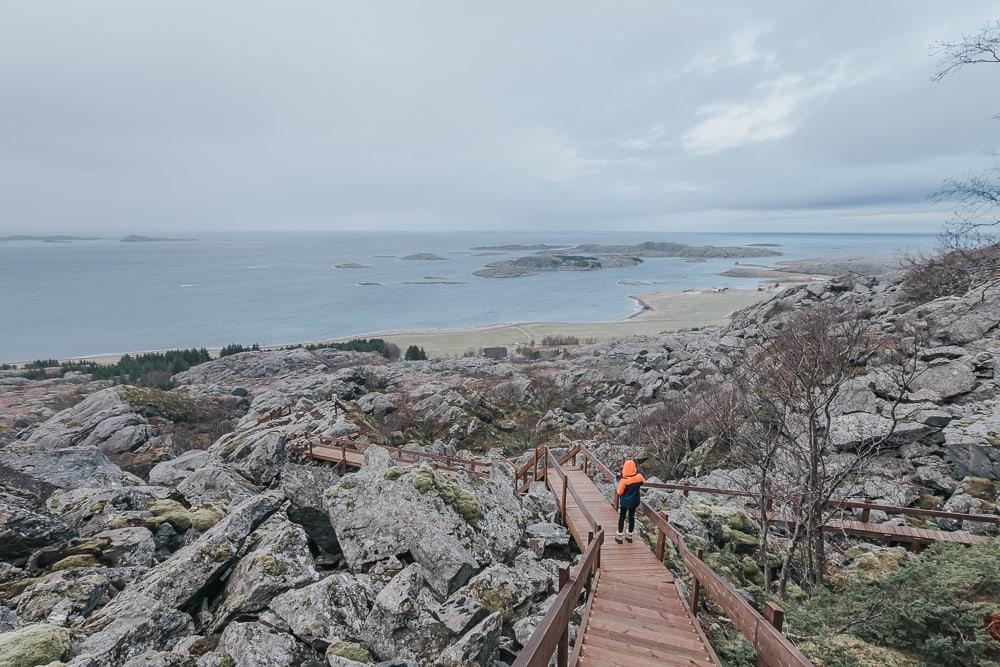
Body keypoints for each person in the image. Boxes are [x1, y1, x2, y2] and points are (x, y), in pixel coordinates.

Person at [615, 459, 644, 544]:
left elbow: (619, 492)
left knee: (622, 517)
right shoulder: (639, 477)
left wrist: (618, 482)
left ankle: (619, 536)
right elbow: (642, 482)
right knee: (631, 517)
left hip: (624, 502)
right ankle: (629, 536)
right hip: (634, 501)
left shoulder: (624, 481)